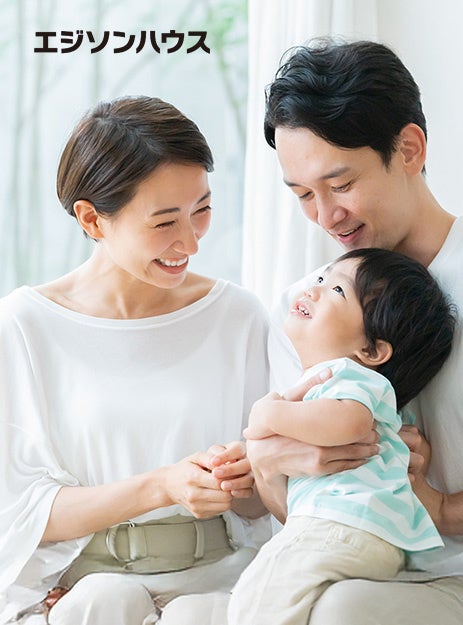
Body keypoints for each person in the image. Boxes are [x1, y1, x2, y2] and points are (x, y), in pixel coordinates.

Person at [0, 96, 271, 625]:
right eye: (165, 222)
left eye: (202, 210)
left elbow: (264, 501)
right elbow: (18, 510)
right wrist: (162, 485)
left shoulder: (237, 316)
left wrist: (246, 482)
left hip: (222, 584)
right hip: (83, 594)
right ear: (92, 219)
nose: (190, 241)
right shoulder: (24, 327)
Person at [247, 38, 463, 624]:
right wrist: (267, 466)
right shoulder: (304, 308)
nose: (325, 216)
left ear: (409, 149)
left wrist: (442, 510)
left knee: (344, 609)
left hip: (446, 576)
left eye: (340, 185)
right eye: (302, 195)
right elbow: (295, 513)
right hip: (352, 564)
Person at [227, 247, 455, 625]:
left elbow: (350, 423)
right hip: (352, 531)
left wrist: (268, 414)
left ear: (370, 350)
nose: (313, 289)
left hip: (344, 525)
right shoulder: (333, 387)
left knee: (259, 596)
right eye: (321, 278)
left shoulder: (349, 377)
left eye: (336, 290)